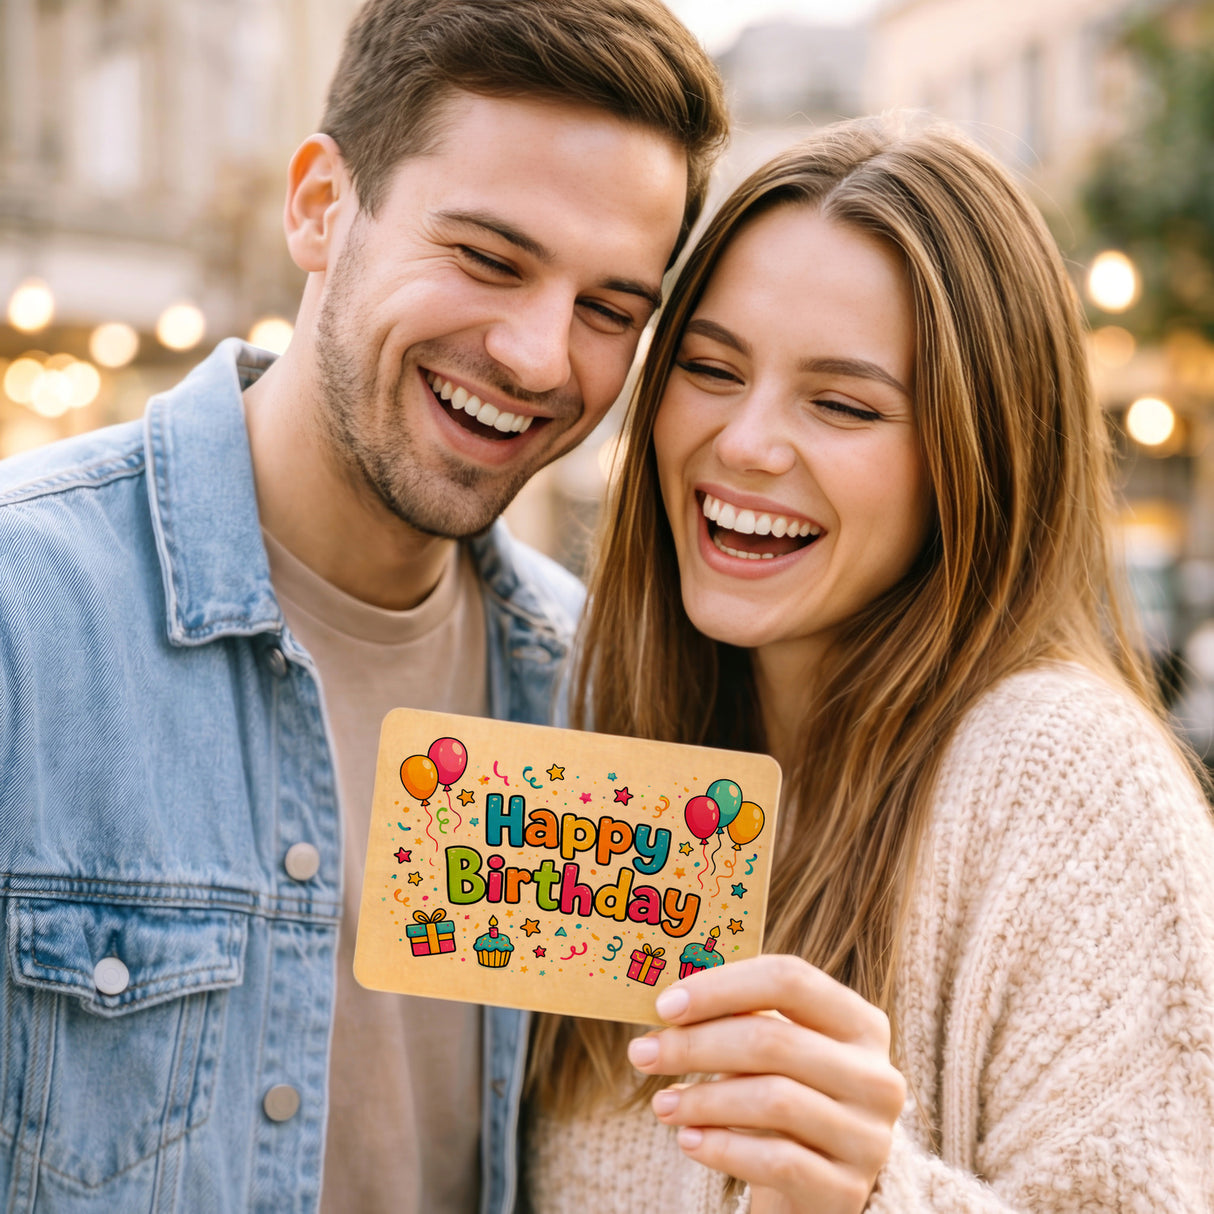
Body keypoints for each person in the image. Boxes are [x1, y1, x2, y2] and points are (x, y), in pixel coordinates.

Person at [0, 2, 727, 1211]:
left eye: (609, 308)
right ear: (320, 207)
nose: (541, 356)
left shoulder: (598, 696)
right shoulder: (26, 612)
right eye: (488, 258)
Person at [524, 116, 1214, 1213]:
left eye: (840, 403)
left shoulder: (1068, 783)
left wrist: (869, 1193)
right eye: (708, 367)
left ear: (972, 455)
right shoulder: (615, 735)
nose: (746, 441)